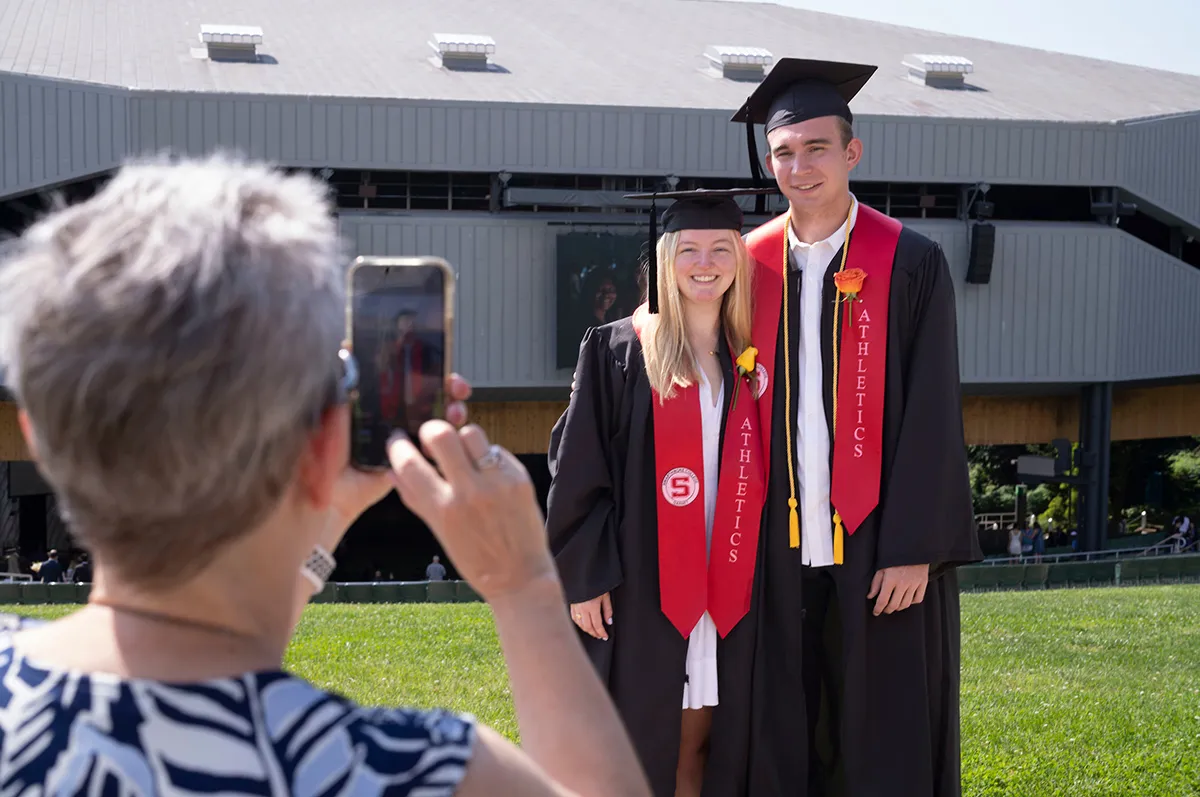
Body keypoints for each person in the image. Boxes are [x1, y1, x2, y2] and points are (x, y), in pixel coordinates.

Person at [0, 155, 651, 797]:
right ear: (319, 446)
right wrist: (526, 586)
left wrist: (325, 508)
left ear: (42, 439)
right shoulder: (411, 769)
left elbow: (211, 638)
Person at [725, 58, 984, 795]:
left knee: (883, 724)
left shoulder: (911, 261)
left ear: (852, 152)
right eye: (783, 151)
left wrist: (914, 549)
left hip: (878, 546)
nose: (799, 166)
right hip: (771, 544)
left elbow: (935, 411)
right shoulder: (744, 266)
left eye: (816, 148)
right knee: (778, 720)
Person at [546, 188, 774, 797]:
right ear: (665, 258)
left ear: (740, 260)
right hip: (643, 585)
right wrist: (586, 576)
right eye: (690, 249)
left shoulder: (752, 359)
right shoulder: (618, 350)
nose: (706, 263)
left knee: (703, 742)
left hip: (727, 580)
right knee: (641, 739)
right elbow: (576, 469)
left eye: (722, 248)